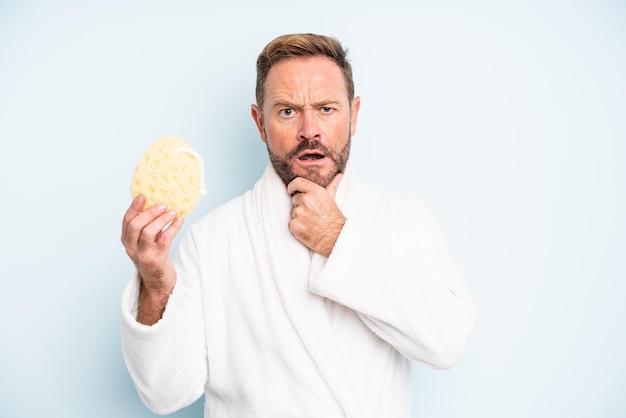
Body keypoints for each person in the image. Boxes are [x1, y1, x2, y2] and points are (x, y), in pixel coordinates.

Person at [120, 33, 476, 417]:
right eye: (288, 111)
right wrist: (155, 283)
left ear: (354, 115)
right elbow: (165, 393)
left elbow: (448, 341)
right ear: (260, 123)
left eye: (326, 109)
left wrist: (338, 239)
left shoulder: (403, 220)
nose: (310, 130)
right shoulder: (211, 241)